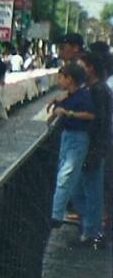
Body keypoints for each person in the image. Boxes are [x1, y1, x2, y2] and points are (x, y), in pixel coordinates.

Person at [47, 62, 95, 230]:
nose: (59, 81)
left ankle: (55, 216)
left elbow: (90, 115)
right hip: (68, 137)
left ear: (70, 79)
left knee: (65, 177)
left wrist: (68, 113)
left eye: (61, 77)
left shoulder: (83, 96)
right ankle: (85, 219)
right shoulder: (71, 95)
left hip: (77, 138)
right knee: (69, 179)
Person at [70, 52, 111, 245]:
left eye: (82, 66)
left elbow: (99, 121)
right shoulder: (95, 88)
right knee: (83, 188)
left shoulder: (98, 90)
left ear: (91, 68)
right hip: (91, 145)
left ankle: (91, 230)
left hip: (92, 146)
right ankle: (90, 226)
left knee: (90, 189)